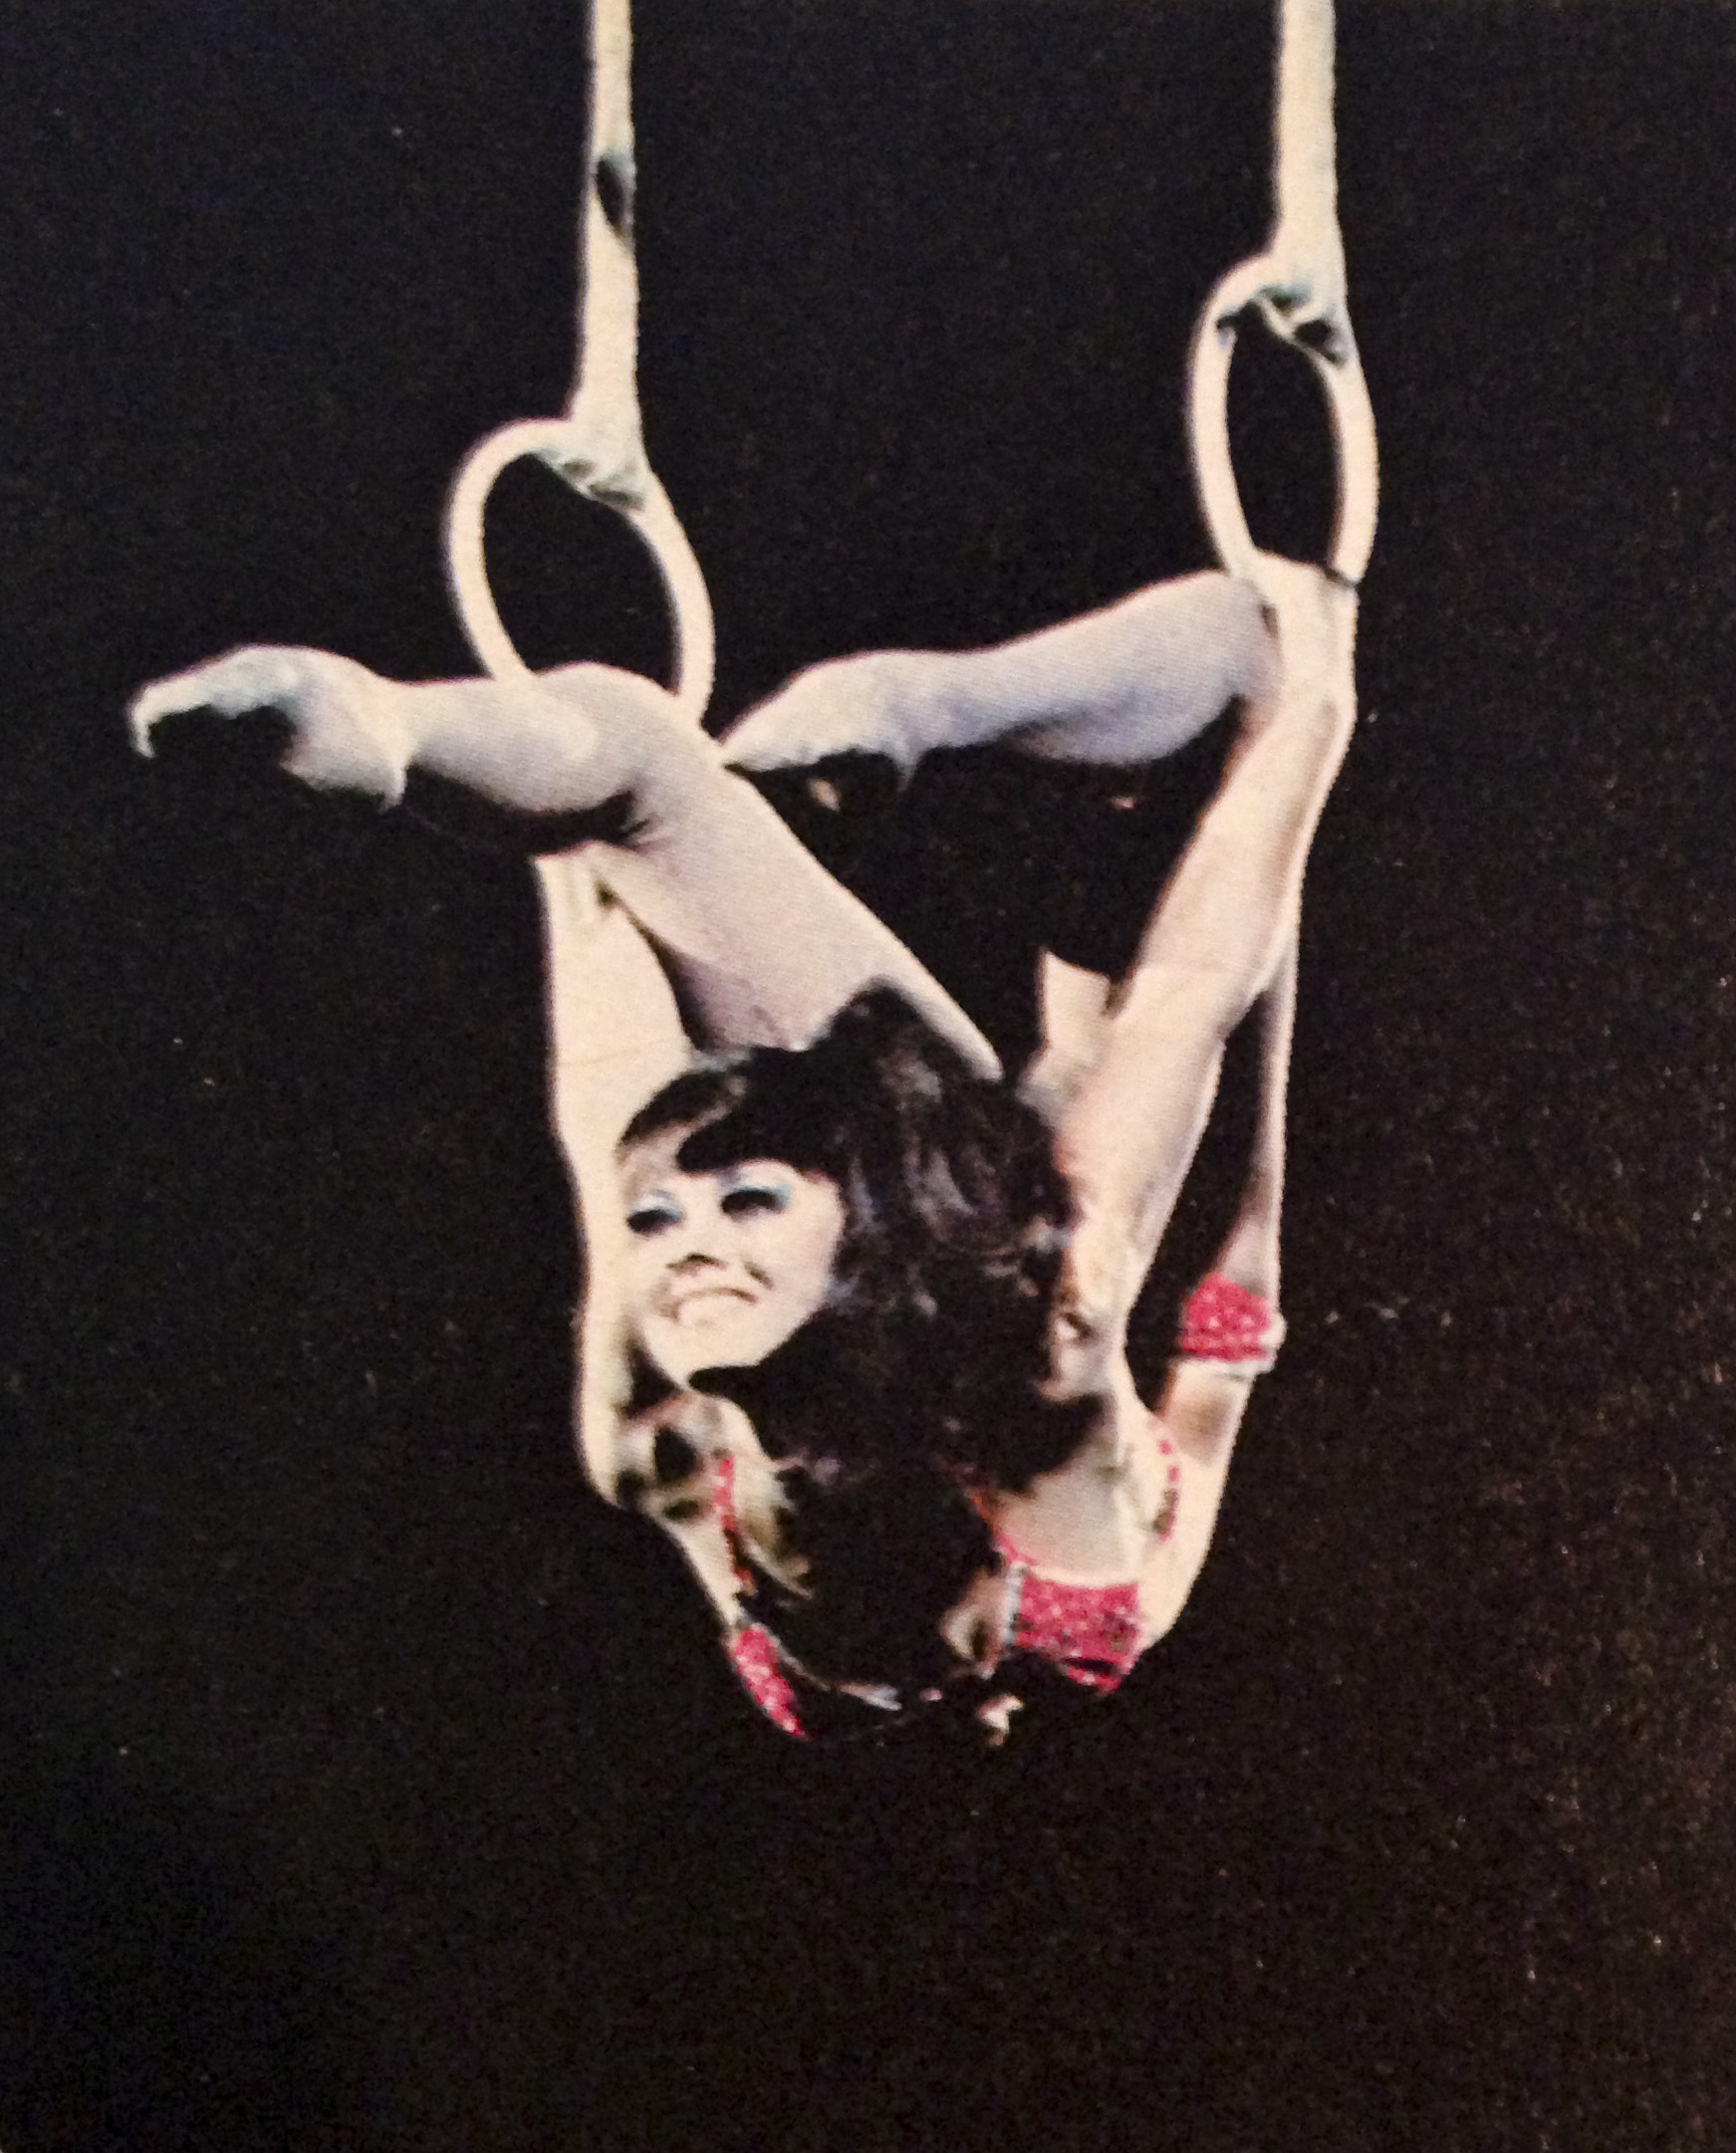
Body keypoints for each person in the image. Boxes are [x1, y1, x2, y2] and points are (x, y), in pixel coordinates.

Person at [129, 557, 1357, 1741]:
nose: (688, 1243)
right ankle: (910, 707)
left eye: (683, 1219)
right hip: (957, 1206)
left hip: (861, 1218)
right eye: (725, 1208)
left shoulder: (657, 1447)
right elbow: (1195, 999)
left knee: (643, 777)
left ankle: (378, 717)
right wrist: (1325, 698)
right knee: (1242, 699)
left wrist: (546, 821)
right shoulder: (1041, 1331)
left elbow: (608, 1112)